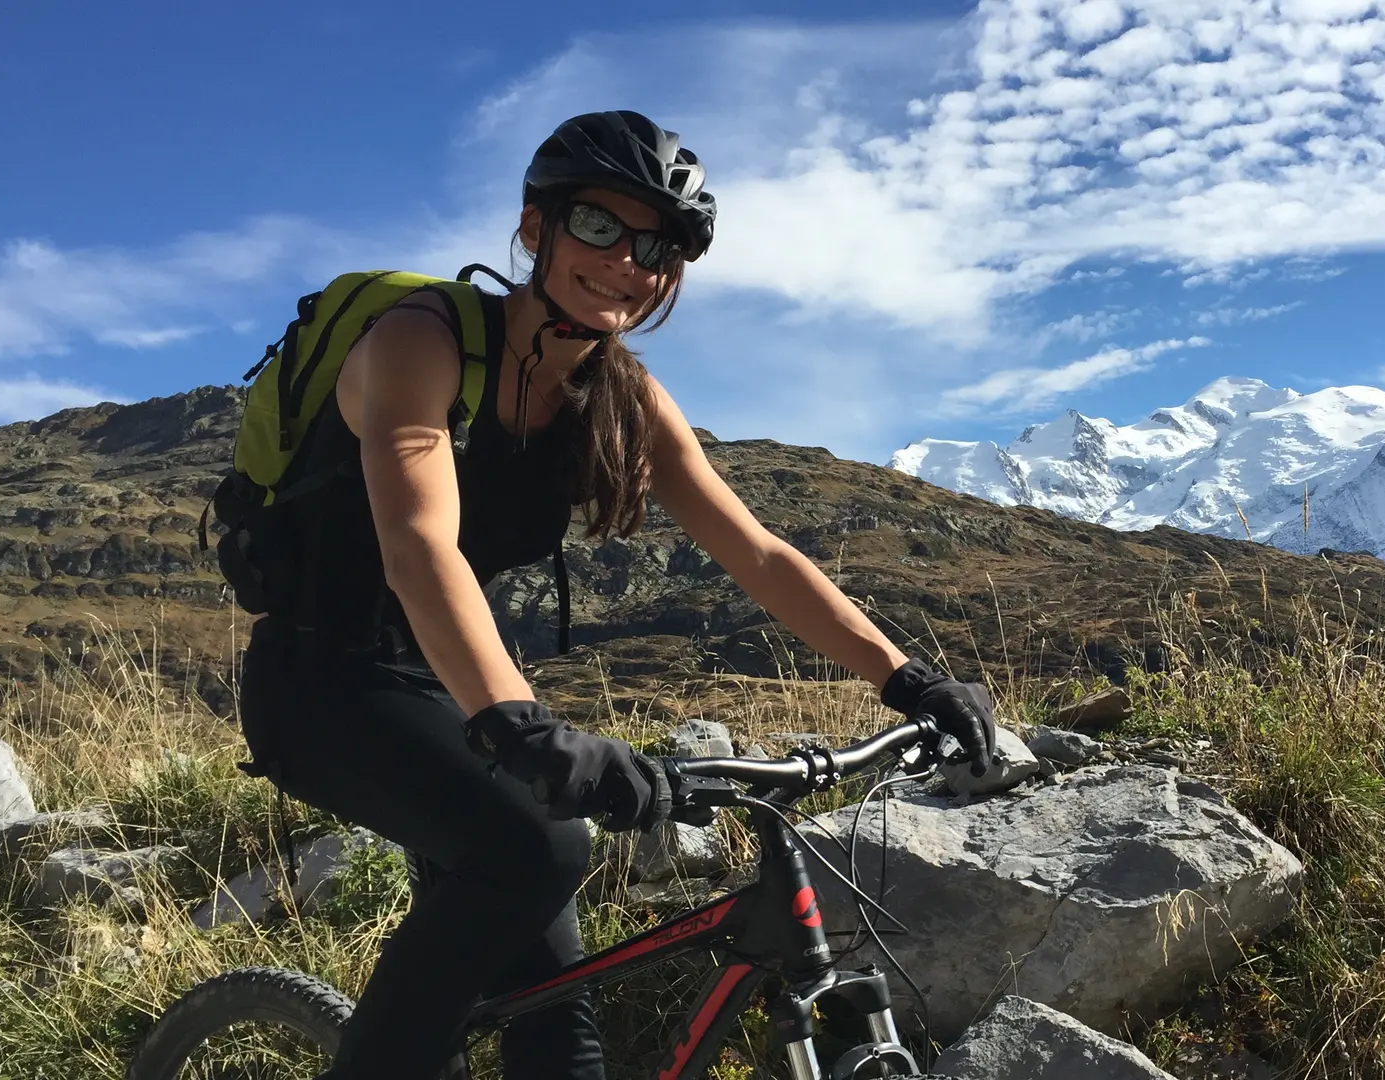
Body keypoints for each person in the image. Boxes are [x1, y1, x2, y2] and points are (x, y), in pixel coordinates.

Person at [235, 110, 997, 1080]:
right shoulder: (417, 343)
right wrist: (522, 727)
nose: (629, 264)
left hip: (448, 688)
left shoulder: (619, 397)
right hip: (320, 683)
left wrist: (908, 679)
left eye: (659, 247)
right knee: (540, 851)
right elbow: (419, 546)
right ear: (533, 228)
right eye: (600, 227)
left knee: (560, 1023)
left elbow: (757, 553)